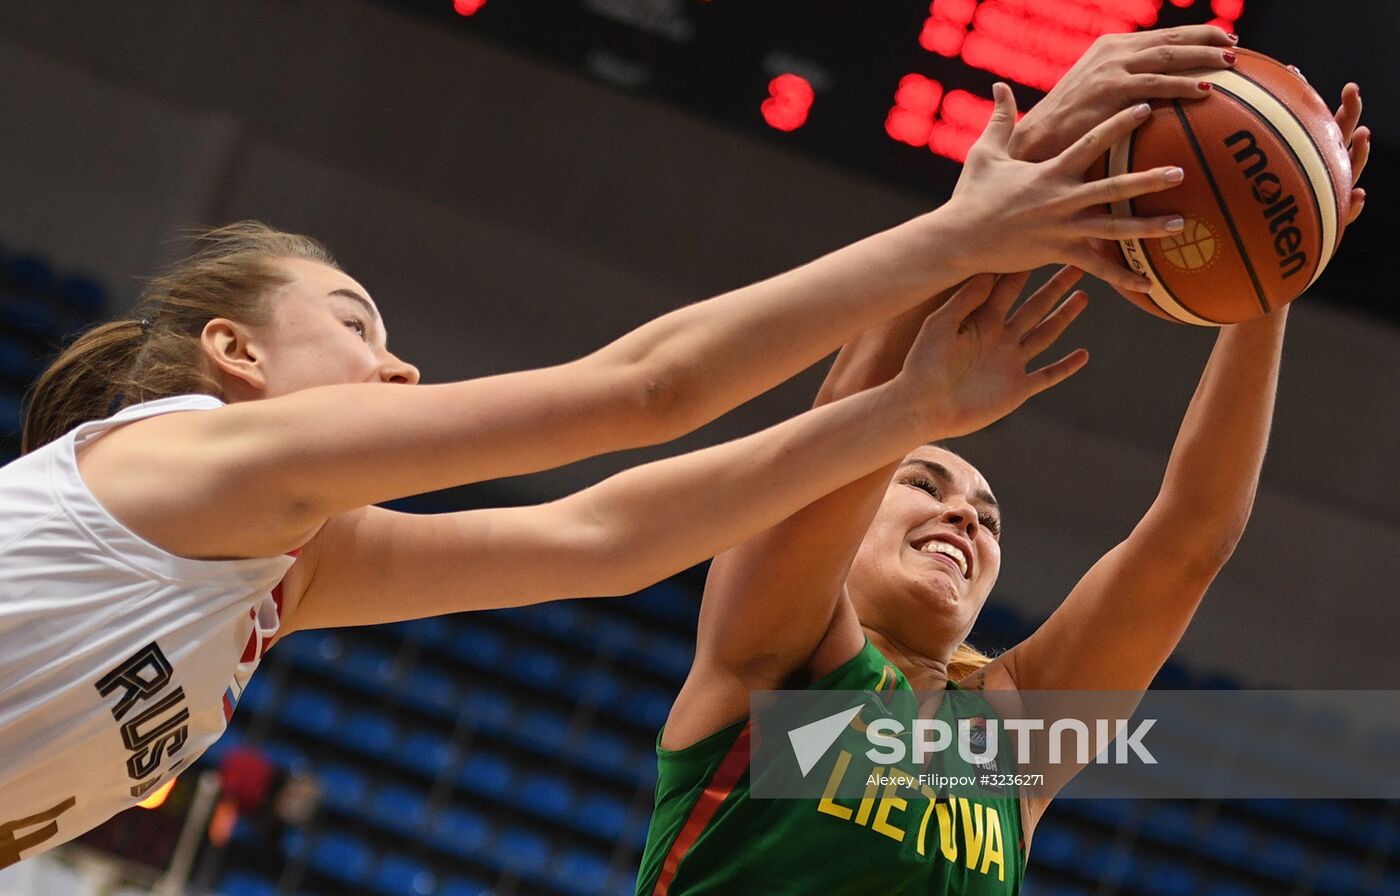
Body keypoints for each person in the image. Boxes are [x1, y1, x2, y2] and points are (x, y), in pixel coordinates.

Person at [0, 54, 1199, 864]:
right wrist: (953, 235)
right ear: (234, 352)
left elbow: (605, 537)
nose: (401, 369)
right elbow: (645, 390)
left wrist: (908, 409)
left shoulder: (284, 567)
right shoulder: (197, 458)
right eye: (359, 323)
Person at [636, 49, 1369, 896]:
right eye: (925, 485)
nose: (966, 521)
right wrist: (1020, 166)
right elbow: (840, 426)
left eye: (988, 519)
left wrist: (1265, 287)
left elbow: (1190, 539)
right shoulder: (780, 667)